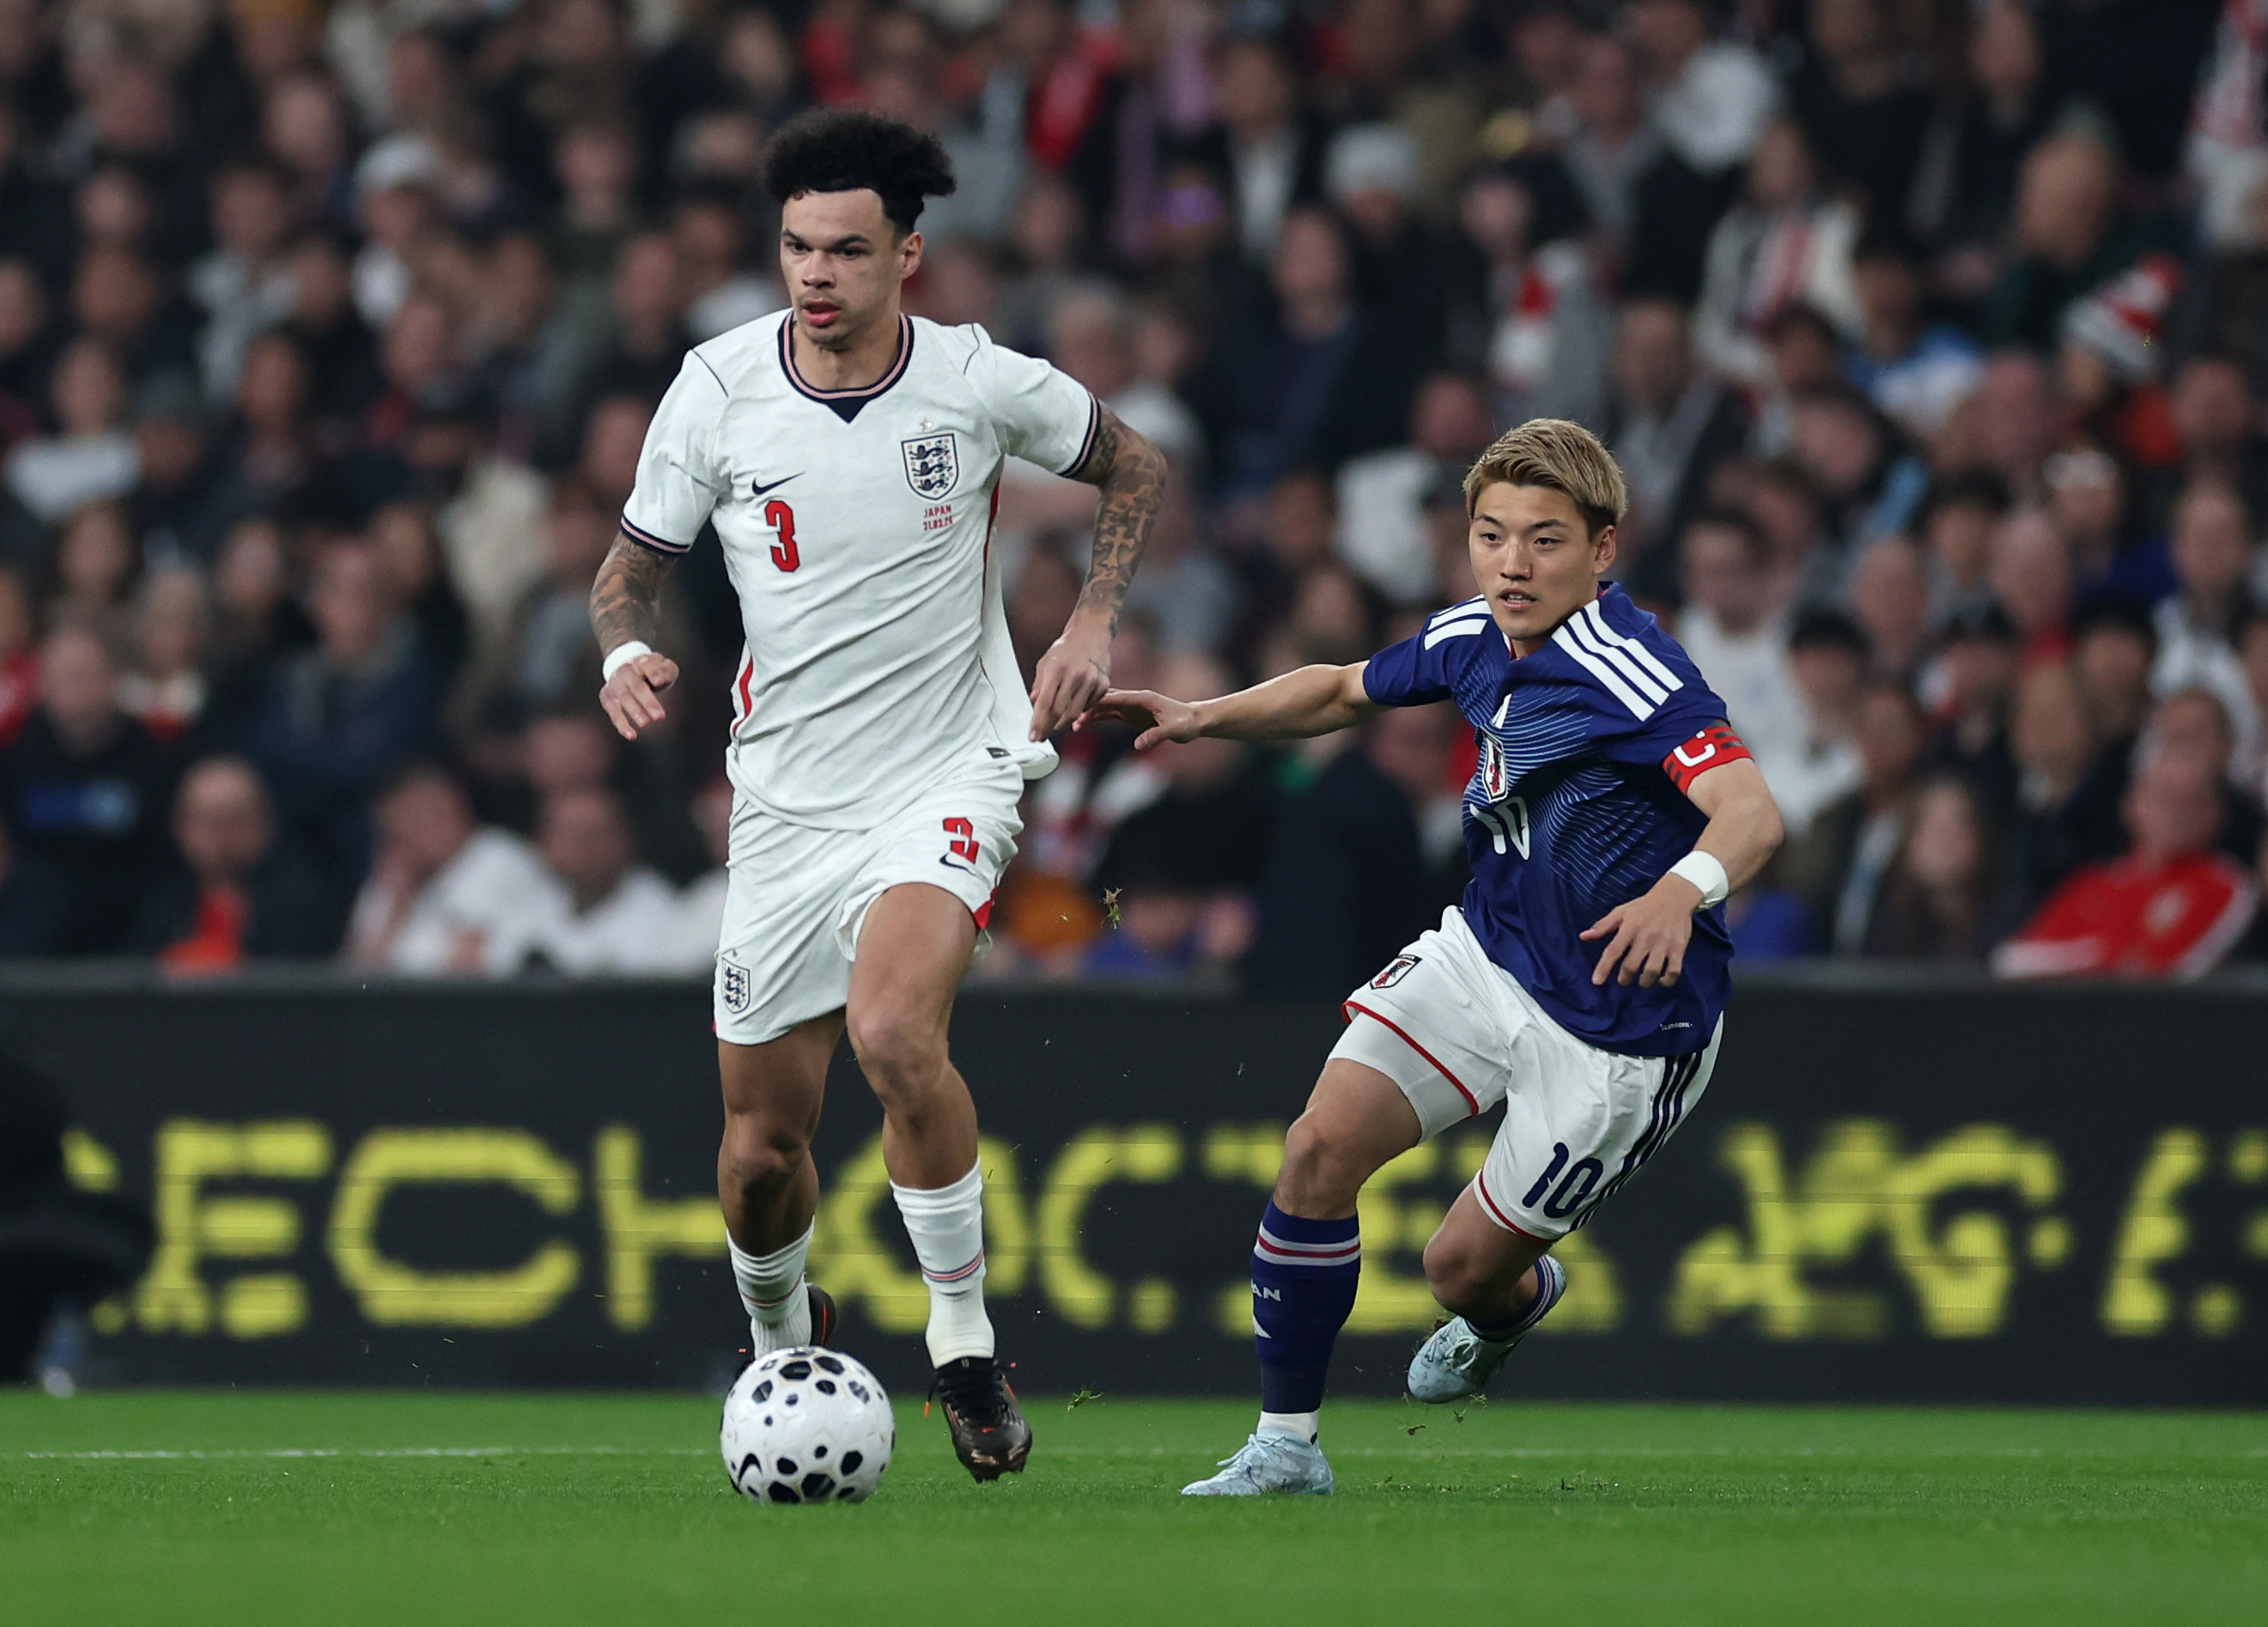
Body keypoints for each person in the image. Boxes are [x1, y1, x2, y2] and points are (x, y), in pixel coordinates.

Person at [588, 110, 1164, 1482]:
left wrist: (1088, 623)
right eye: (795, 245)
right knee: (753, 1159)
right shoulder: (716, 388)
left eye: (846, 248)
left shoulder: (974, 380)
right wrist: (621, 646)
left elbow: (1133, 465)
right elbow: (627, 571)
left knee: (897, 1030)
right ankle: (783, 1339)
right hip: (786, 807)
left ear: (908, 255)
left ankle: (960, 1346)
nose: (815, 272)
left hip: (944, 775)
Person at [1096, 420, 1781, 1496]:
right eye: (1491, 535)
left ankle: (1514, 1298)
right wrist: (1205, 716)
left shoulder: (1635, 671)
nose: (1513, 563)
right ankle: (1286, 1445)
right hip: (1490, 954)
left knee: (1457, 1270)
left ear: (1603, 550)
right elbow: (1337, 690)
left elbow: (1749, 811)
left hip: (1621, 1022)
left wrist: (1676, 890)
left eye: (1545, 540)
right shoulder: (1475, 633)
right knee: (1317, 1149)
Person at [1993, 754, 2258, 979]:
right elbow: (2015, 959)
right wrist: (2105, 954)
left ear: (2215, 815)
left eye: (2191, 800)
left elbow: (2161, 972)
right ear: (2132, 804)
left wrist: (2083, 956)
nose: (2173, 810)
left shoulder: (2222, 884)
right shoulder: (2095, 882)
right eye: (2162, 794)